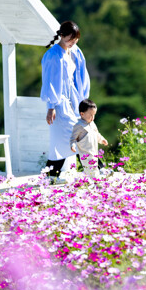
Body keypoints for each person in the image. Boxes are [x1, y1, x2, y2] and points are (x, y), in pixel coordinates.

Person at [41, 20, 90, 179]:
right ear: (61, 36)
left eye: (75, 41)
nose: (72, 43)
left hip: (73, 99)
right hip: (59, 103)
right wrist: (51, 106)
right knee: (76, 134)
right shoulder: (54, 55)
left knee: (65, 140)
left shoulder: (74, 50)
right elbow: (51, 82)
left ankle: (50, 175)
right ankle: (95, 168)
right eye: (70, 40)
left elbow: (80, 75)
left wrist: (83, 99)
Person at [70, 99, 109, 177]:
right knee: (92, 171)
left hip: (94, 153)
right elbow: (73, 138)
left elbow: (97, 134)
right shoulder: (79, 125)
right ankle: (97, 184)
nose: (92, 117)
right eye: (90, 115)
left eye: (94, 114)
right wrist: (72, 145)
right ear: (82, 113)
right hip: (85, 155)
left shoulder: (92, 123)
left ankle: (92, 184)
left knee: (95, 170)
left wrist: (102, 140)